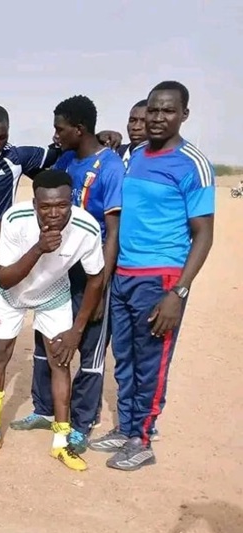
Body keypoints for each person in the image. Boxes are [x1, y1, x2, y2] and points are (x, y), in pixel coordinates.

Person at [89, 81, 215, 471]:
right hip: (123, 273)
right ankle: (127, 428)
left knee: (152, 361)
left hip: (160, 279)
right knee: (124, 358)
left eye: (167, 111)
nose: (158, 119)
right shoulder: (135, 156)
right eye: (153, 111)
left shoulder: (192, 163)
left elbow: (204, 233)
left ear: (184, 115)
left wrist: (178, 292)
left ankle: (143, 439)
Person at [12, 95, 124, 453]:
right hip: (60, 270)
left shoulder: (109, 166)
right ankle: (45, 409)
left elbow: (113, 229)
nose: (55, 134)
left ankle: (81, 424)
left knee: (88, 349)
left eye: (60, 128)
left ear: (79, 129)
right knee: (49, 344)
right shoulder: (64, 159)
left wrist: (103, 282)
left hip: (93, 272)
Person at [0, 170, 105, 471]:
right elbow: (5, 279)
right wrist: (38, 248)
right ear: (34, 203)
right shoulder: (14, 219)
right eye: (46, 206)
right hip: (12, 295)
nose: (54, 213)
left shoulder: (86, 227)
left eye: (61, 205)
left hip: (54, 294)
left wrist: (77, 329)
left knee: (60, 361)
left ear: (70, 201)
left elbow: (96, 279)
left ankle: (61, 443)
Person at [0, 104, 61, 422]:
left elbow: (58, 155)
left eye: (0, 137)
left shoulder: (16, 157)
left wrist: (105, 138)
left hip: (0, 253)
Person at [115, 99, 148, 168]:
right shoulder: (116, 153)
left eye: (144, 121)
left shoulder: (163, 160)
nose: (136, 127)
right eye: (132, 120)